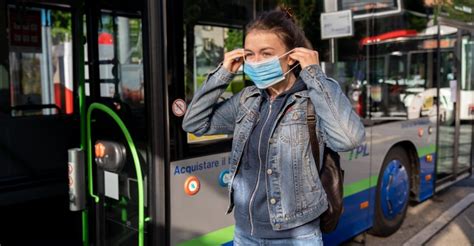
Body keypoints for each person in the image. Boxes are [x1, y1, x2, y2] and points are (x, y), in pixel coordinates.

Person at [182, 7, 365, 246]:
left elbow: (349, 139)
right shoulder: (248, 99)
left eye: (266, 54)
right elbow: (194, 122)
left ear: (291, 57)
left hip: (296, 237)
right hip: (246, 234)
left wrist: (314, 74)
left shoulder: (313, 100)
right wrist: (223, 74)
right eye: (250, 55)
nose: (256, 62)